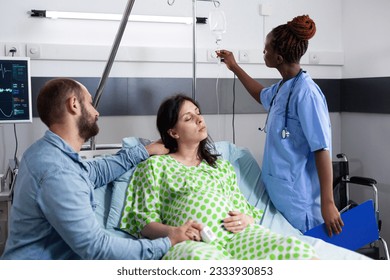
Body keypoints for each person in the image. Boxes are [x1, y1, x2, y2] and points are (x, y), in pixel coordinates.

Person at [1, 78, 199, 260]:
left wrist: (143, 151)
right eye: (90, 103)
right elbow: (97, 248)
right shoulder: (58, 172)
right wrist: (168, 241)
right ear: (74, 105)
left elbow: (94, 172)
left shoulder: (44, 152)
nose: (96, 112)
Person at [120, 94, 318, 260]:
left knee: (295, 249)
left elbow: (242, 208)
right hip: (191, 244)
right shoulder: (155, 166)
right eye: (188, 118)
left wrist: (247, 219)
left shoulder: (220, 166)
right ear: (173, 132)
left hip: (238, 238)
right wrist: (175, 233)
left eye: (198, 113)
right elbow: (144, 222)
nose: (199, 120)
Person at [216, 15, 343, 235]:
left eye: (266, 50)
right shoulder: (284, 87)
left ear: (279, 57)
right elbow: (261, 94)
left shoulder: (307, 93)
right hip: (279, 194)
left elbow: (321, 149)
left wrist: (328, 202)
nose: (263, 53)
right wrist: (234, 67)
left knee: (304, 255)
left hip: (299, 200)